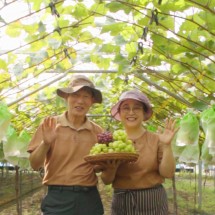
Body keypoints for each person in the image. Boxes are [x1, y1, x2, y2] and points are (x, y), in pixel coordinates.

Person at [27, 75, 104, 215]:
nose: (80, 101)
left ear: (92, 101)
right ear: (66, 97)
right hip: (58, 198)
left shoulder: (98, 131)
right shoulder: (49, 125)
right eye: (75, 95)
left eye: (86, 96)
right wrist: (45, 143)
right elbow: (34, 164)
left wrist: (106, 164)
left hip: (89, 198)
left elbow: (99, 168)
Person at [98, 89, 178, 215]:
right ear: (119, 112)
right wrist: (112, 168)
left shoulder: (156, 139)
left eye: (136, 108)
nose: (131, 112)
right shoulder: (111, 142)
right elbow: (106, 180)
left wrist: (167, 145)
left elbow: (168, 173)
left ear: (144, 113)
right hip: (122, 201)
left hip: (153, 201)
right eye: (125, 108)